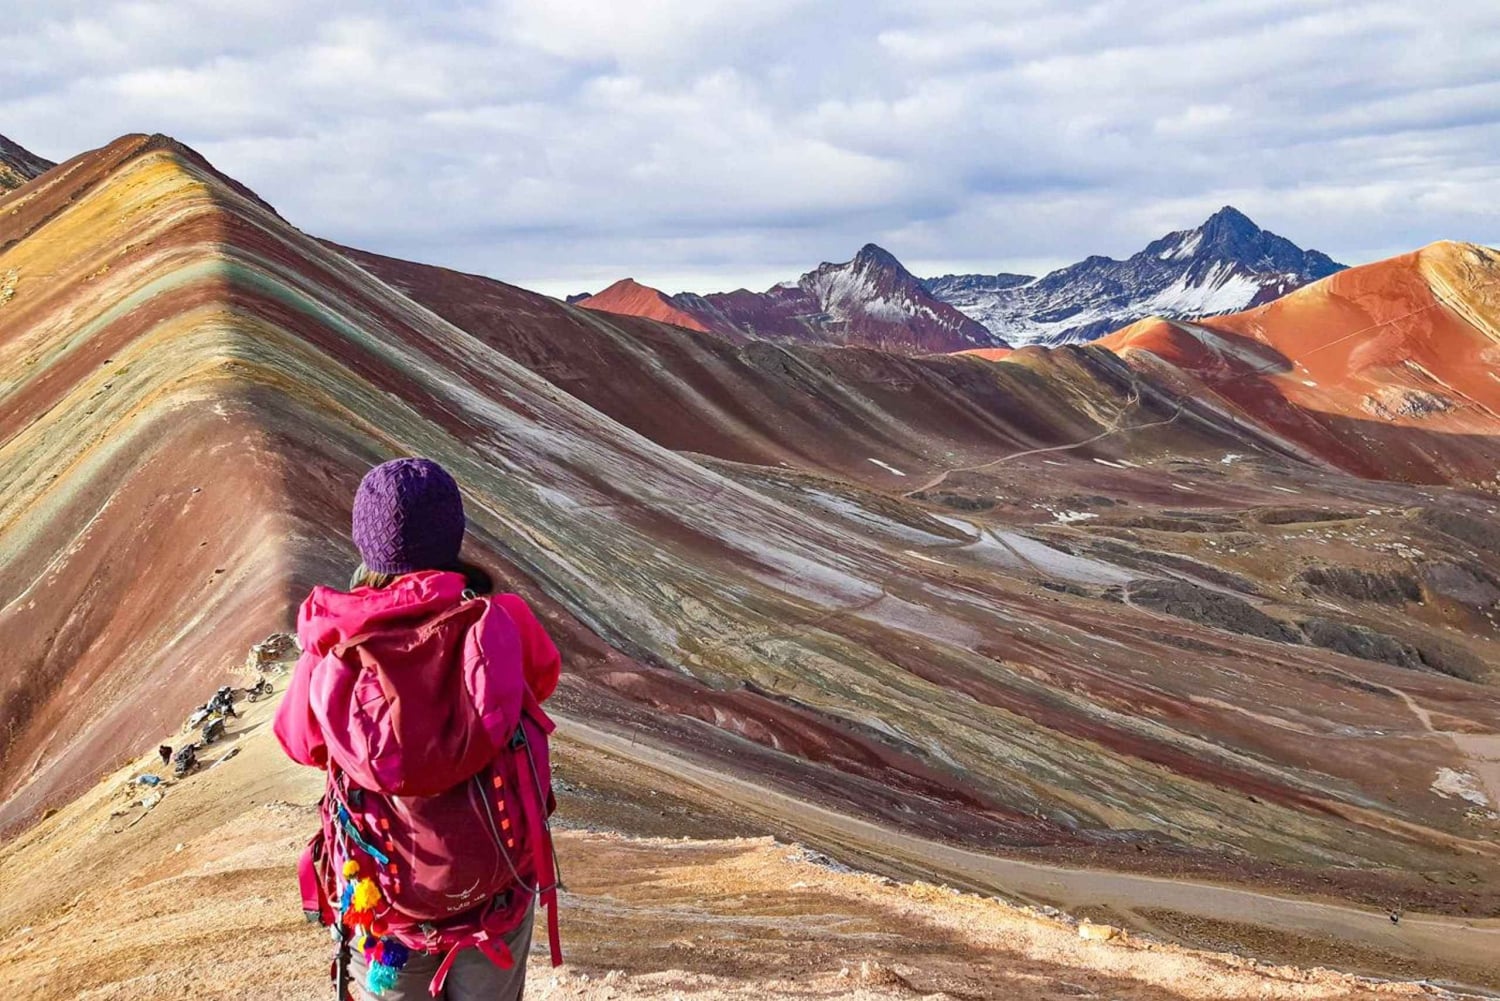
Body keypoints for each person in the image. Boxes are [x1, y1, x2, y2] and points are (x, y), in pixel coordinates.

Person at [274, 457, 563, 1000]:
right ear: (453, 534)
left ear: (366, 543)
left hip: (383, 904)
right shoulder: (501, 621)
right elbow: (541, 679)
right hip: (494, 890)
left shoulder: (332, 649)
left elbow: (299, 741)